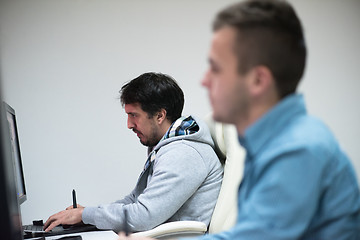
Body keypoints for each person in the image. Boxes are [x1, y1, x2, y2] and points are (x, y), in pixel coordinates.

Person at [119, 0, 360, 239]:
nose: (205, 80)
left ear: (258, 80)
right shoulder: (266, 142)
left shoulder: (299, 150)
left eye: (217, 68)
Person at [44, 72, 223, 233]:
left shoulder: (184, 154)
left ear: (160, 116)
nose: (129, 124)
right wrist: (86, 216)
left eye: (134, 115)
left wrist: (86, 215)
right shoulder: (167, 147)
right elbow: (135, 199)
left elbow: (143, 216)